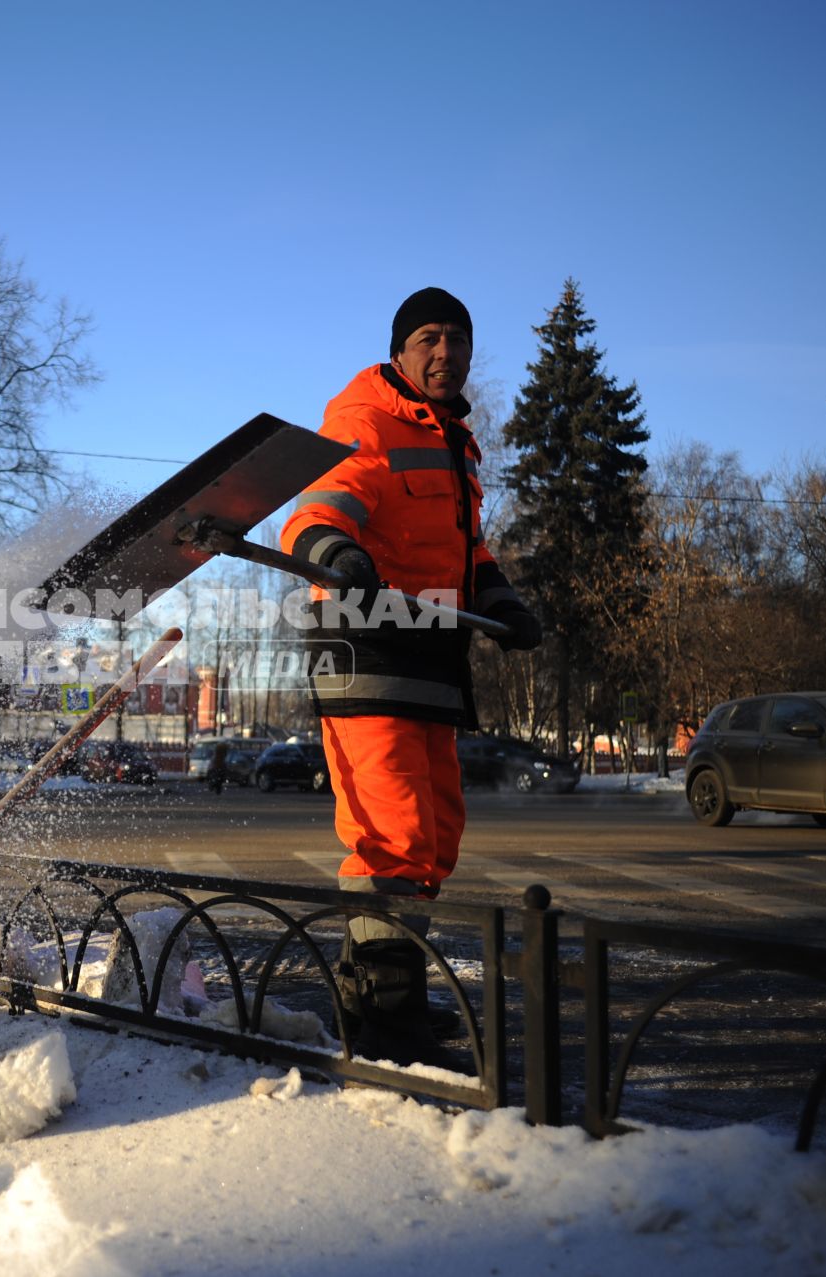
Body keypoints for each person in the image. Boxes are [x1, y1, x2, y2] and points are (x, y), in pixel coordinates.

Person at [280, 286, 541, 1064]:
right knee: (390, 836)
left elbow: (468, 553)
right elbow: (313, 515)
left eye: (458, 340)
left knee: (435, 837)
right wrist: (339, 553)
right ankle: (388, 1025)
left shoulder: (455, 442)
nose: (445, 353)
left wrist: (503, 600)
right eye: (428, 337)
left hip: (433, 653)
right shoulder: (368, 419)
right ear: (400, 349)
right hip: (366, 650)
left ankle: (384, 991)